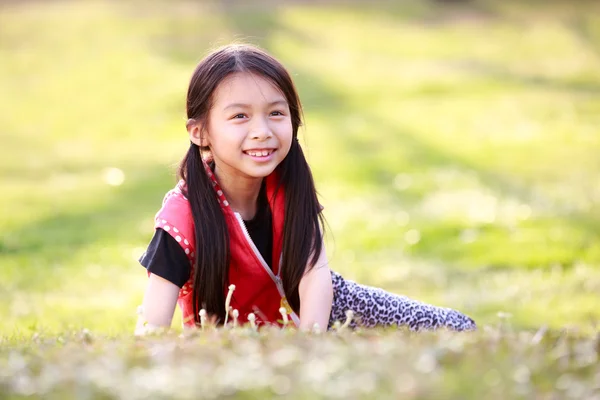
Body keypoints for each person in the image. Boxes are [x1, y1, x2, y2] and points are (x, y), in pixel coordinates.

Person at [135, 44, 476, 334]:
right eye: (240, 116)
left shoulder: (288, 183)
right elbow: (152, 325)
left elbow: (315, 276)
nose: (262, 131)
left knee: (459, 328)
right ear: (200, 132)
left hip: (327, 308)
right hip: (244, 339)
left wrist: (310, 348)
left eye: (276, 113)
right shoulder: (182, 218)